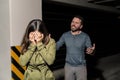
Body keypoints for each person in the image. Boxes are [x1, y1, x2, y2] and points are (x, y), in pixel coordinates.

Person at [56, 15, 95, 80]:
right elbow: (56, 46)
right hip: (68, 66)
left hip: (81, 67)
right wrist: (47, 43)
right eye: (72, 22)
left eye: (76, 23)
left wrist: (91, 51)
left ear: (81, 26)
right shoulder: (65, 35)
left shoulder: (85, 36)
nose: (73, 24)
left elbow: (90, 50)